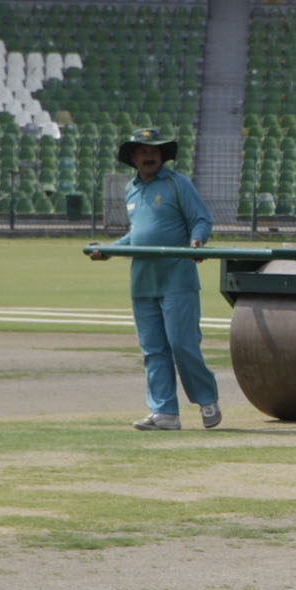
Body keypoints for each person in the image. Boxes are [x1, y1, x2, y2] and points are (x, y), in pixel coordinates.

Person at [90, 127, 221, 431]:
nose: (150, 156)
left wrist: (197, 241)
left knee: (182, 343)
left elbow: (201, 219)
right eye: (144, 151)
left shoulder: (178, 184)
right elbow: (137, 236)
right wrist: (108, 250)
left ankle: (207, 399)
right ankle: (164, 412)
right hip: (143, 281)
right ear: (133, 157)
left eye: (155, 151)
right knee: (152, 349)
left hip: (177, 278)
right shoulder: (131, 190)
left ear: (162, 156)